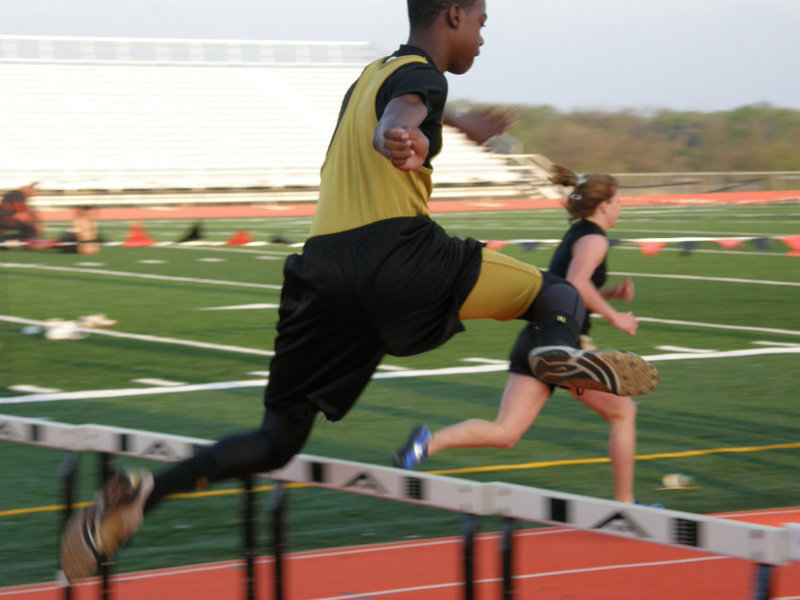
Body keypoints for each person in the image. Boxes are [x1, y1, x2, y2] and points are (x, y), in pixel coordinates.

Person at [60, 0, 657, 581]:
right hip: (398, 255)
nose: (481, 35)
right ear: (452, 14)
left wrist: (452, 124)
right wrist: (402, 137)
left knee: (276, 440)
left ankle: (139, 499)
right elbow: (399, 114)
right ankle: (554, 352)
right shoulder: (420, 79)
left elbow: (397, 104)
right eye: (481, 21)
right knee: (555, 295)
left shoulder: (372, 75)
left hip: (321, 273)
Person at [393, 165, 649, 503]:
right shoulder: (595, 239)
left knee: (506, 432)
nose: (620, 208)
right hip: (561, 346)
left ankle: (428, 442)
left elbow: (568, 283)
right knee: (623, 413)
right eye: (618, 202)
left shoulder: (576, 234)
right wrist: (616, 317)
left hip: (535, 338)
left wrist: (610, 292)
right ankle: (626, 506)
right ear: (604, 205)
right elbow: (576, 284)